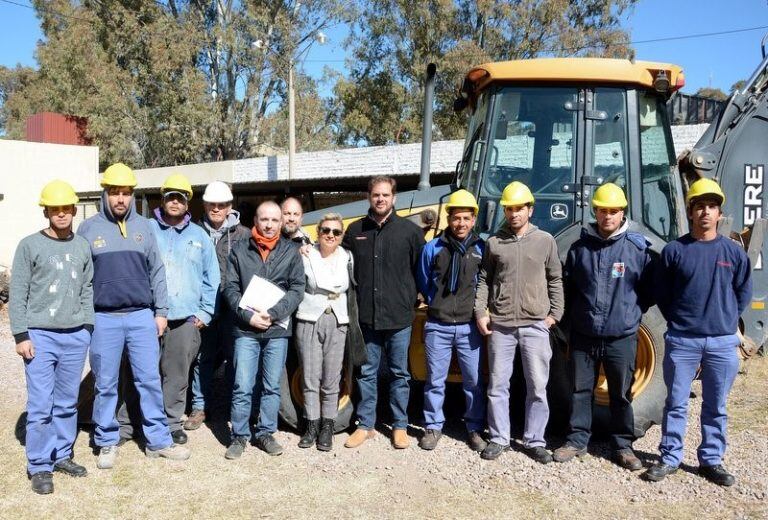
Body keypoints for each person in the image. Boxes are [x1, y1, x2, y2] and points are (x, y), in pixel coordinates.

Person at [78, 163, 189, 469]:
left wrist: (161, 313)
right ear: (105, 193)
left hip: (142, 317)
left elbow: (157, 272)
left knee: (149, 380)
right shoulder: (88, 230)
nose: (121, 199)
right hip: (104, 320)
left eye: (126, 193)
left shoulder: (145, 228)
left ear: (132, 195)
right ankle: (106, 440)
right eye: (115, 192)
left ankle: (158, 441)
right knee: (105, 383)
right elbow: (81, 280)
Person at [643, 178, 751, 486]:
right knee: (675, 402)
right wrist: (680, 323)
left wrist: (726, 321)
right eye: (700, 206)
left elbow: (743, 293)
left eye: (712, 207)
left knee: (716, 405)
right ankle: (670, 457)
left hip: (721, 342)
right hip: (683, 342)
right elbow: (663, 295)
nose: (706, 212)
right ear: (691, 212)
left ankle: (711, 460)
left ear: (719, 213)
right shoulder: (676, 251)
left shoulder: (734, 253)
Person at [553, 183, 654, 470]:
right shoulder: (579, 249)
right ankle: (576, 440)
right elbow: (569, 289)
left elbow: (647, 292)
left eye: (613, 211)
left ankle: (622, 445)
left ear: (622, 212)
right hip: (584, 335)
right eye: (602, 210)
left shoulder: (637, 250)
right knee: (579, 389)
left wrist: (627, 314)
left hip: (620, 337)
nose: (607, 216)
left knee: (620, 394)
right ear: (594, 211)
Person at [9, 180, 94, 495]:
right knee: (42, 404)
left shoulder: (81, 246)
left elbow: (87, 289)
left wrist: (87, 328)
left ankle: (61, 455)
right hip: (40, 337)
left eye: (66, 208)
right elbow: (18, 293)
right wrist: (21, 335)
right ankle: (40, 465)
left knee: (67, 403)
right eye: (54, 209)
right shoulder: (30, 245)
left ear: (73, 210)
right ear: (45, 211)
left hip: (75, 336)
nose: (61, 214)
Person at [474, 181, 564, 462]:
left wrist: (554, 315)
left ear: (530, 209)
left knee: (537, 386)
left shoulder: (545, 240)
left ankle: (535, 440)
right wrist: (481, 312)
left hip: (535, 324)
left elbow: (555, 279)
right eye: (509, 209)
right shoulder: (494, 242)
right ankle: (499, 437)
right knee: (498, 385)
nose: (514, 214)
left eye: (519, 208)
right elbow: (484, 280)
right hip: (501, 324)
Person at [341, 176, 425, 449]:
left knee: (400, 374)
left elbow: (420, 271)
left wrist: (419, 298)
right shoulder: (355, 231)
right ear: (369, 197)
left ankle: (399, 426)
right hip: (367, 318)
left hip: (399, 318)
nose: (380, 199)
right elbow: (340, 265)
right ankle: (365, 425)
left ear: (394, 198)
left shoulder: (410, 232)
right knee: (366, 373)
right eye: (376, 195)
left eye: (385, 195)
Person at [222, 201, 305, 459]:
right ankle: (239, 436)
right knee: (242, 385)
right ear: (255, 221)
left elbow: (297, 289)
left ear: (281, 223)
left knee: (271, 386)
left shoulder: (291, 252)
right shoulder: (239, 250)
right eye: (264, 219)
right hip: (246, 331)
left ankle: (266, 432)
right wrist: (247, 316)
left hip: (276, 330)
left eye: (274, 220)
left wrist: (274, 313)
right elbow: (230, 288)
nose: (269, 225)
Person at [150, 174, 219, 444]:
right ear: (163, 198)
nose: (175, 202)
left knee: (177, 375)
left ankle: (170, 422)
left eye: (181, 197)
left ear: (187, 202)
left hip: (185, 320)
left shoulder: (198, 236)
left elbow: (212, 278)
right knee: (145, 373)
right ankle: (143, 421)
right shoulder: (146, 229)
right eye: (171, 197)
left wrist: (202, 315)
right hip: (150, 316)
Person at [416, 189, 487, 452]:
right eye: (456, 218)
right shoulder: (432, 248)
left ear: (473, 219)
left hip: (470, 327)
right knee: (435, 380)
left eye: (466, 218)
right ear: (449, 218)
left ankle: (474, 428)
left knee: (473, 381)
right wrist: (436, 303)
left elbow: (484, 283)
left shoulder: (482, 248)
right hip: (438, 325)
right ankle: (433, 427)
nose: (461, 224)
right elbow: (424, 280)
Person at [295, 213, 364, 451]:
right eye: (326, 230)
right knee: (310, 375)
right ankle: (311, 424)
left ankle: (327, 426)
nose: (330, 236)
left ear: (342, 235)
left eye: (336, 232)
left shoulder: (348, 257)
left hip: (337, 320)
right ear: (318, 232)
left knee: (333, 377)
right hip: (310, 317)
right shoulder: (305, 254)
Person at [185, 181, 250, 430]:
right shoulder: (192, 232)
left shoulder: (243, 234)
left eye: (221, 205)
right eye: (212, 204)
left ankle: (236, 408)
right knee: (203, 358)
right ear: (205, 205)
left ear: (229, 207)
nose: (216, 209)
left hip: (234, 309)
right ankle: (200, 407)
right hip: (204, 308)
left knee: (236, 359)